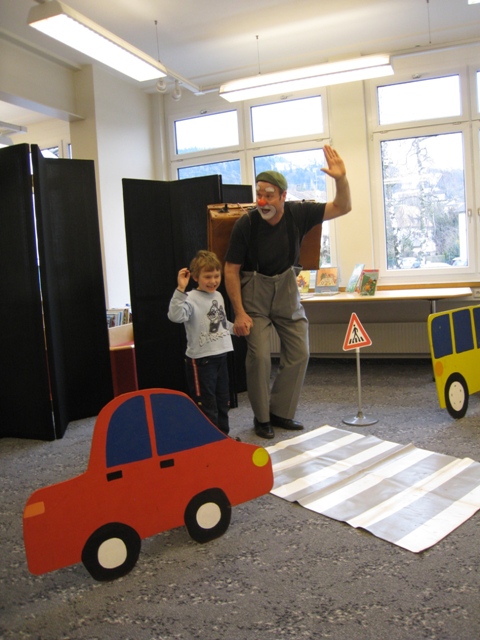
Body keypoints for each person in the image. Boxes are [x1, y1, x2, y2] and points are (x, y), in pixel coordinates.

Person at [224, 145, 352, 439]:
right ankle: (262, 418)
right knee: (259, 357)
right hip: (254, 294)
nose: (262, 201)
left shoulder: (299, 213)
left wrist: (341, 179)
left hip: (286, 290)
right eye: (259, 194)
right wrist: (240, 312)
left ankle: (281, 412)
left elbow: (343, 207)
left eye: (269, 195)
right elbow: (231, 269)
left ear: (283, 196)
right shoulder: (246, 223)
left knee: (300, 352)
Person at [168, 250, 235, 436]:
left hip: (221, 356)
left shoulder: (218, 296)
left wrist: (236, 328)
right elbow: (175, 316)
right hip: (201, 360)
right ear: (196, 277)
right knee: (206, 404)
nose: (213, 281)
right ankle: (209, 441)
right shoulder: (189, 297)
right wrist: (180, 289)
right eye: (208, 276)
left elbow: (221, 323)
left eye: (216, 276)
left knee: (223, 401)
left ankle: (223, 438)